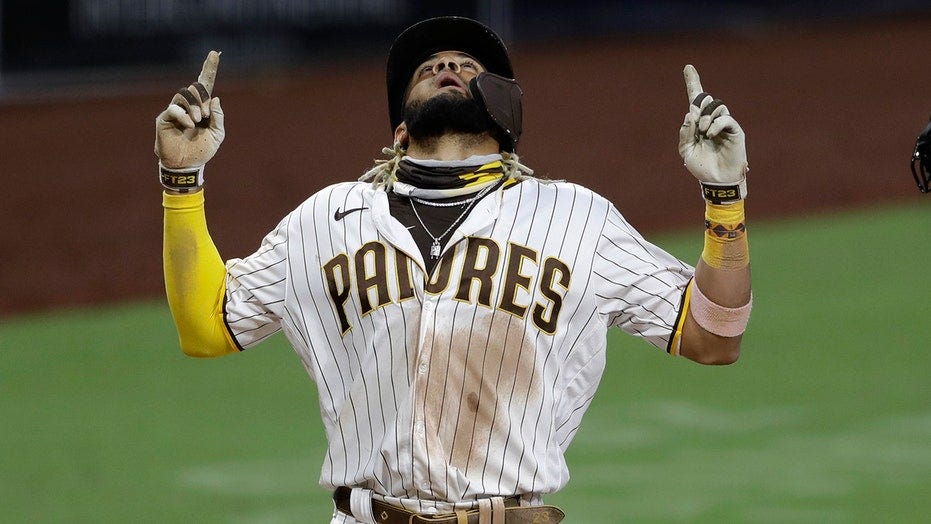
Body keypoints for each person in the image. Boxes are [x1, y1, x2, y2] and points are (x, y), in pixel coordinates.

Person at [155, 16, 752, 524]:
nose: (445, 65)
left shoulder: (578, 217)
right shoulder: (325, 218)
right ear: (400, 128)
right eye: (427, 68)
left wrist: (724, 194)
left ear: (506, 115)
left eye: (467, 65)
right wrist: (182, 180)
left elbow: (714, 336)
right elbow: (207, 327)